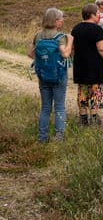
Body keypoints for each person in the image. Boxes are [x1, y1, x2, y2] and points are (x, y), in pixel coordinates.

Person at [29, 8, 73, 142]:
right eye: (61, 18)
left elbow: (30, 54)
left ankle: (42, 138)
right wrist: (70, 40)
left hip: (43, 75)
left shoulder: (38, 35)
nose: (63, 20)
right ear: (56, 21)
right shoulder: (60, 37)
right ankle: (58, 137)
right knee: (59, 106)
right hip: (59, 75)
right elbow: (65, 54)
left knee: (45, 107)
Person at [72, 3, 103, 126]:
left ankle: (83, 118)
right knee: (95, 91)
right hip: (95, 66)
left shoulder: (76, 28)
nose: (99, 16)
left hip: (80, 65)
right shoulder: (97, 29)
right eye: (97, 13)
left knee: (83, 91)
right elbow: (101, 48)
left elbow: (72, 48)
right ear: (92, 15)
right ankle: (94, 117)